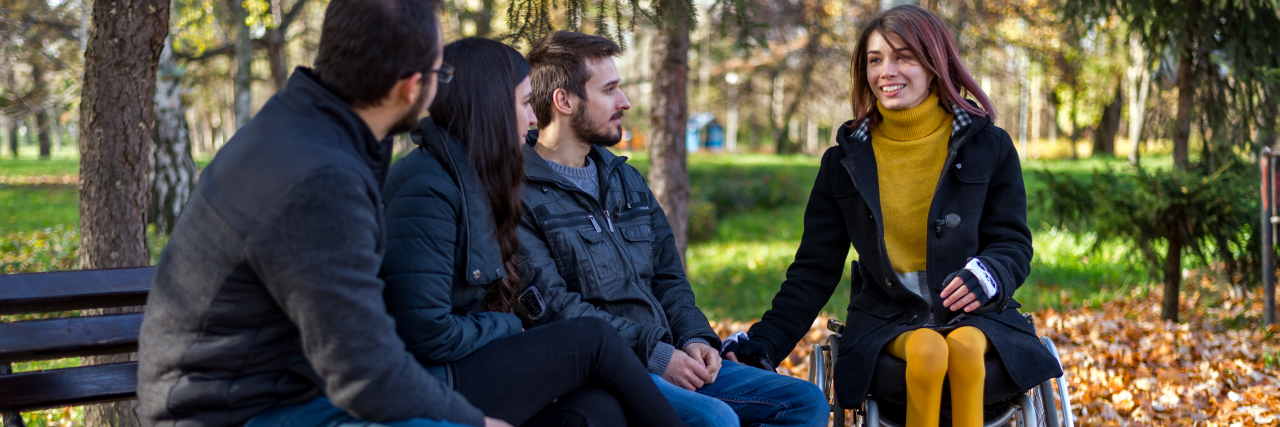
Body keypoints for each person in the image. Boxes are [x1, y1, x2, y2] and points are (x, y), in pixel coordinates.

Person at [137, 1, 502, 426]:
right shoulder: (322, 179)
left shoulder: (301, 125)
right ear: (411, 87)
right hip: (230, 412)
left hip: (273, 389)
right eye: (442, 76)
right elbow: (366, 375)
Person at [722, 5, 1064, 427]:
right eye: (875, 59)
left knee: (966, 350)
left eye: (904, 56)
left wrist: (989, 274)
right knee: (928, 351)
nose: (887, 70)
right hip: (887, 317)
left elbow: (1012, 242)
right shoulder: (844, 162)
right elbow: (814, 269)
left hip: (977, 316)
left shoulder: (987, 146)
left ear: (935, 63)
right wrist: (765, 343)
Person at [515, 30, 829, 427]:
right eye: (609, 90)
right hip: (604, 371)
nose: (624, 102)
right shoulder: (520, 194)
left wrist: (696, 339)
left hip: (670, 354)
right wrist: (657, 357)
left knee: (806, 402)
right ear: (564, 101)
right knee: (715, 420)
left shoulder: (626, 180)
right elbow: (558, 310)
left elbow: (668, 277)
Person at [380, 37, 688, 427]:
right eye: (525, 103)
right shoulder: (428, 188)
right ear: (491, 104)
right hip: (433, 380)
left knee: (598, 409)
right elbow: (425, 334)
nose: (532, 119)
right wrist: (512, 326)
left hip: (464, 365)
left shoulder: (472, 177)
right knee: (591, 339)